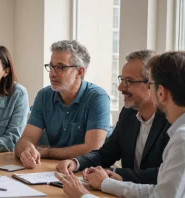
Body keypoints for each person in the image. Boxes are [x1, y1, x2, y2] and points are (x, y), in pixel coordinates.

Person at [56, 51, 185, 198]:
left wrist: (89, 191)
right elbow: (107, 152)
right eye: (121, 80)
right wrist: (77, 162)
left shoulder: (179, 134)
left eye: (128, 81)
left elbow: (160, 177)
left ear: (160, 91)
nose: (120, 88)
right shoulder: (129, 113)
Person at [15, 40, 111, 168]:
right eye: (51, 66)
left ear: (80, 72)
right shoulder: (44, 95)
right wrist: (26, 151)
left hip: (88, 171)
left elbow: (93, 149)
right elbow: (24, 141)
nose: (52, 73)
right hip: (53, 169)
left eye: (61, 67)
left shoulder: (98, 98)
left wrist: (49, 152)